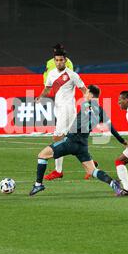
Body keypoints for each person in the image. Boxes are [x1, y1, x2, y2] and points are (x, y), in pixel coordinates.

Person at [29, 85, 126, 196]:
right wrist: (123, 141)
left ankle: (38, 184)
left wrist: (69, 132)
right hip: (83, 145)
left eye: (86, 93)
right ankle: (113, 183)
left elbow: (80, 122)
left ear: (90, 94)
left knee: (42, 155)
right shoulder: (100, 111)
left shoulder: (86, 105)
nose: (84, 95)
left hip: (71, 141)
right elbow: (111, 128)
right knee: (92, 170)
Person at [35, 49, 87, 181]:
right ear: (54, 61)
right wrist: (40, 97)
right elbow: (47, 89)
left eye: (61, 60)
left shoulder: (72, 75)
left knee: (58, 138)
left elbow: (84, 90)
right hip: (59, 109)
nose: (58, 62)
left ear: (65, 60)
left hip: (68, 109)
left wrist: (89, 103)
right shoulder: (51, 74)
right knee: (73, 140)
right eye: (56, 60)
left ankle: (58, 171)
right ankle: (90, 165)